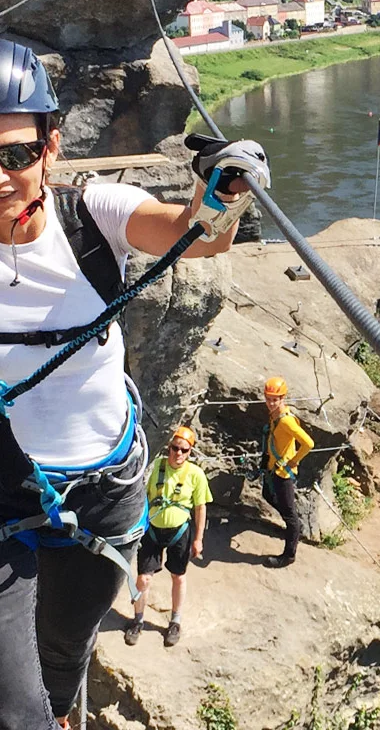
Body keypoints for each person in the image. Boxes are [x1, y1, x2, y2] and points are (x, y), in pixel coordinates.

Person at [0, 39, 269, 730]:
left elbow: (196, 236)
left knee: (63, 651)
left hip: (104, 491)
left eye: (14, 156)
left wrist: (227, 188)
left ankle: (63, 708)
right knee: (13, 706)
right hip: (5, 489)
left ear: (51, 148)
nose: (0, 177)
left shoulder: (92, 215)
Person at [124, 426, 211, 648]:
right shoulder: (158, 467)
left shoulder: (196, 475)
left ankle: (175, 621)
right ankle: (138, 620)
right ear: (169, 447)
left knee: (178, 576)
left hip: (179, 531)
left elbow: (200, 508)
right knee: (143, 577)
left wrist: (198, 539)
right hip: (153, 528)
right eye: (175, 448)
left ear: (190, 452)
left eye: (184, 450)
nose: (179, 454)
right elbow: (145, 496)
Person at [260, 376, 314, 568]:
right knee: (266, 493)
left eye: (275, 399)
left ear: (283, 398)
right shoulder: (275, 415)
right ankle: (291, 524)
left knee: (291, 516)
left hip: (283, 473)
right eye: (268, 398)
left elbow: (308, 443)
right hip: (273, 467)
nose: (271, 403)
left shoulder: (286, 421)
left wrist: (293, 461)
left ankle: (288, 555)